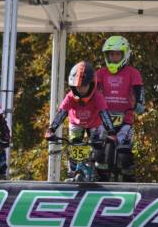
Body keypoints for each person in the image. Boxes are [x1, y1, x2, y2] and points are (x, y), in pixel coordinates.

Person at [45, 61, 116, 181]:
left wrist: (111, 132)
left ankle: (102, 176)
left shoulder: (97, 97)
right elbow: (61, 113)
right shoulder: (70, 97)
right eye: (78, 86)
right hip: (76, 123)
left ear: (92, 84)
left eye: (84, 86)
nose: (81, 89)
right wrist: (51, 129)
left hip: (94, 124)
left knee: (98, 151)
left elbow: (104, 114)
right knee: (74, 147)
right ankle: (73, 173)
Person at [96, 35, 145, 182]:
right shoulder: (100, 73)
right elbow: (94, 91)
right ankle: (98, 180)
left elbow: (139, 91)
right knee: (98, 154)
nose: (114, 57)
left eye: (117, 54)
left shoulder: (133, 73)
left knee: (125, 156)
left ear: (125, 54)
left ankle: (129, 181)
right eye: (111, 54)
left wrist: (140, 103)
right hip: (104, 118)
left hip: (126, 118)